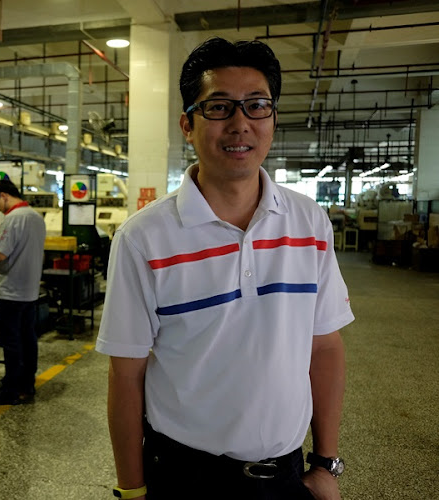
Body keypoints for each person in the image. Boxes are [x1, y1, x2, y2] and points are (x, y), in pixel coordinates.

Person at [96, 37, 354, 500]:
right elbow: (126, 374)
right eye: (218, 107)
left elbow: (326, 347)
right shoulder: (143, 239)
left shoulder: (310, 222)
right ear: (187, 125)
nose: (240, 123)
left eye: (257, 106)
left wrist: (326, 464)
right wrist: (132, 491)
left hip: (286, 476)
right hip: (185, 478)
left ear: (272, 119)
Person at [0, 179, 46, 405]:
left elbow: (1, 255)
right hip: (30, 291)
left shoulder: (12, 218)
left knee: (11, 342)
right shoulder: (35, 216)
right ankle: (26, 386)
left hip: (11, 292)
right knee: (28, 339)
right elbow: (20, 244)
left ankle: (10, 391)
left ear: (4, 196)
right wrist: (0, 241)